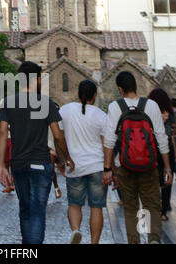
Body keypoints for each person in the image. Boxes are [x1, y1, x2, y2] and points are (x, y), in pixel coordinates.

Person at [0, 61, 74, 244]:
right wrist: (66, 158)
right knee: (38, 211)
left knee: (25, 209)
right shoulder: (45, 102)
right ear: (36, 79)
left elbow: (2, 133)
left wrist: (1, 165)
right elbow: (58, 135)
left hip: (18, 164)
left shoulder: (8, 103)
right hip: (40, 162)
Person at [103, 71, 172, 244]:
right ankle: (153, 239)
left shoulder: (114, 107)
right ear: (136, 86)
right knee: (152, 206)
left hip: (125, 166)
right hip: (149, 166)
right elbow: (161, 138)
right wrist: (168, 168)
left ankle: (134, 241)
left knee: (131, 208)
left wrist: (107, 169)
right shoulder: (151, 106)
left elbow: (110, 141)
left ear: (120, 89)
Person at [58, 80, 116, 244]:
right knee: (96, 207)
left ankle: (76, 230)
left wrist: (62, 160)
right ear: (95, 96)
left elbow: (59, 137)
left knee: (74, 204)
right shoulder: (100, 115)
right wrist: (108, 169)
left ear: (78, 93)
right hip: (97, 166)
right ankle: (94, 242)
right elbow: (107, 145)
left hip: (74, 167)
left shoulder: (65, 110)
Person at [148, 88, 176, 221]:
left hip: (153, 148)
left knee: (154, 178)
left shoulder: (148, 111)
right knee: (168, 178)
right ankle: (164, 210)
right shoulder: (170, 112)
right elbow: (171, 133)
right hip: (168, 149)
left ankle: (155, 207)